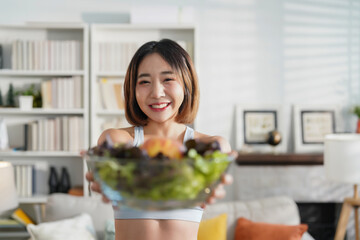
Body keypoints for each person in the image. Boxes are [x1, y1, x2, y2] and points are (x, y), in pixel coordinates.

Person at [86, 39, 234, 240]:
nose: (156, 93)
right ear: (133, 90)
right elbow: (105, 178)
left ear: (186, 84)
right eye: (144, 82)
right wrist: (105, 181)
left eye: (168, 79)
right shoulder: (118, 140)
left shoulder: (209, 146)